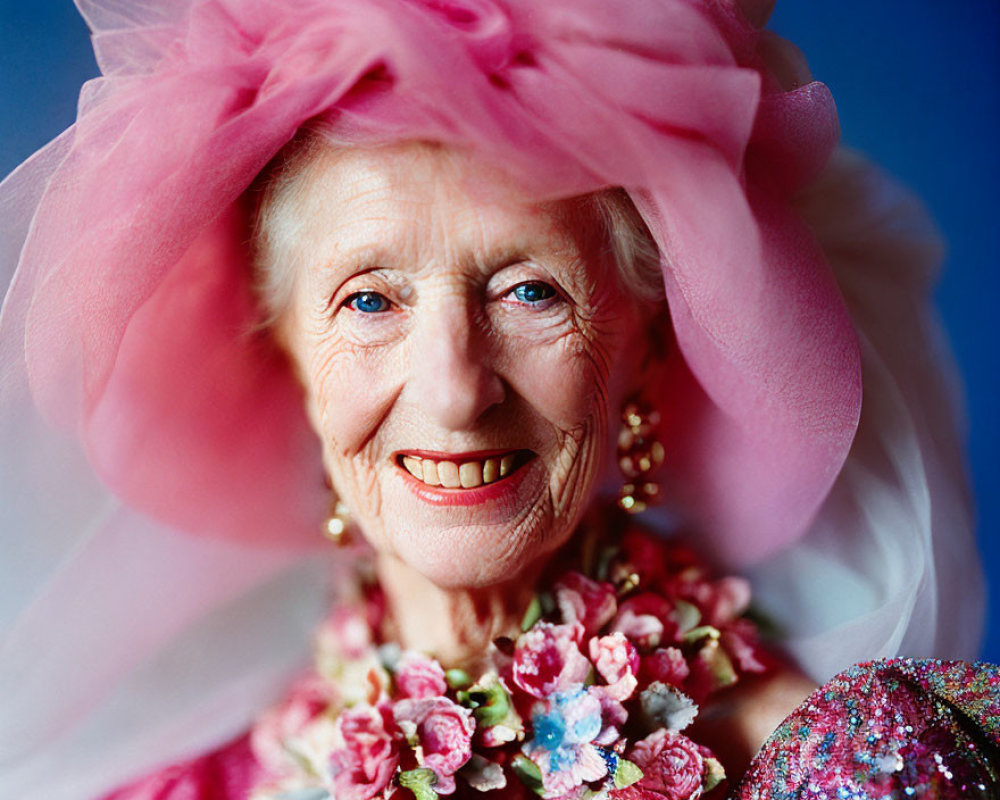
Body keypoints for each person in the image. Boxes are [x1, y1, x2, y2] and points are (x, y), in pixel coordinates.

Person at [0, 1, 992, 798]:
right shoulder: (190, 784)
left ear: (645, 346)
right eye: (370, 299)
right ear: (288, 361)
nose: (455, 389)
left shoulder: (833, 767)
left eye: (530, 290)